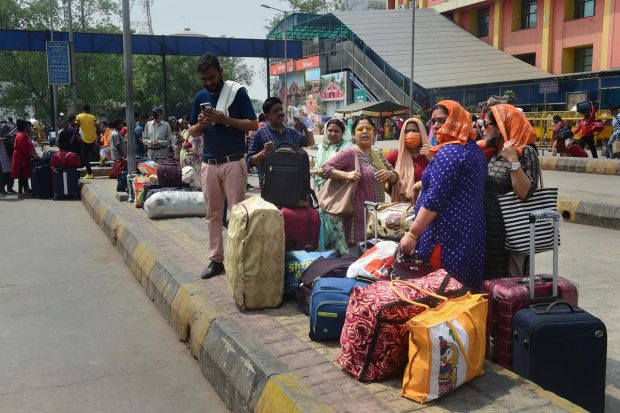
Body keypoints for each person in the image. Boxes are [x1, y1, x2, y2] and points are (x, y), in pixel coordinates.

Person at [399, 101, 487, 291]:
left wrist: (412, 234)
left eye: (442, 120)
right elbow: (458, 185)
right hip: (470, 232)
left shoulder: (449, 152)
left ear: (456, 120)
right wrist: (422, 184)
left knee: (442, 291)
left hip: (447, 236)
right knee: (465, 290)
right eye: (433, 121)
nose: (436, 125)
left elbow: (434, 201)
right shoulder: (474, 149)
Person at [187, 52, 258, 279]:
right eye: (205, 79)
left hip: (233, 162)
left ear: (221, 72)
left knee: (237, 214)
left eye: (212, 77)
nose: (209, 83)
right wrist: (201, 123)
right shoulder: (200, 97)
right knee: (212, 214)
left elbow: (253, 124)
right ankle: (216, 260)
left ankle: (238, 259)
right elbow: (192, 131)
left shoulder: (237, 93)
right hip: (209, 163)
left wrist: (224, 120)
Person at [478, 104, 539, 279]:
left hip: (511, 232)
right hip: (487, 228)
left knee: (510, 284)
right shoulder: (487, 151)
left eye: (486, 124)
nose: (483, 128)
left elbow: (524, 193)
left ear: (500, 128)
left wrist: (513, 160)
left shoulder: (525, 152)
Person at [322, 116, 399, 251]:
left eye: (368, 128)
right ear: (353, 135)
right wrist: (347, 175)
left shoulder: (377, 154)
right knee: (356, 257)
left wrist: (390, 174)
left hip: (377, 215)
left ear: (374, 133)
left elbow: (396, 177)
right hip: (357, 218)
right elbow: (325, 168)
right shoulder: (350, 153)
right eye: (360, 129)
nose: (365, 131)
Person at [247, 96, 314, 185]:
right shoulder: (259, 134)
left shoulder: (292, 132)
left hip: (293, 183)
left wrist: (304, 123)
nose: (281, 113)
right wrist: (264, 152)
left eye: (281, 110)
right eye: (276, 111)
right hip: (271, 185)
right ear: (267, 116)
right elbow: (249, 161)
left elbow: (310, 142)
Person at [313, 118, 352, 253]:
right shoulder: (322, 148)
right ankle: (327, 256)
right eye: (330, 130)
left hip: (338, 192)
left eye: (337, 131)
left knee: (338, 226)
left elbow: (329, 169)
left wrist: (326, 173)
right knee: (324, 225)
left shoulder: (346, 148)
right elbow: (319, 168)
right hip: (323, 192)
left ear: (343, 133)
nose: (332, 134)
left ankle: (342, 257)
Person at [386, 117, 431, 204]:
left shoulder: (431, 153)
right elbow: (379, 171)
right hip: (403, 207)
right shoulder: (396, 155)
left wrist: (432, 158)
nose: (410, 134)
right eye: (406, 131)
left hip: (427, 206)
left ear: (422, 132)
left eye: (414, 130)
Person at [12, 119, 39, 198]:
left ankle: (26, 190)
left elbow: (30, 146)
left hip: (24, 157)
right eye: (27, 126)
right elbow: (23, 149)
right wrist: (33, 155)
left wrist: (34, 153)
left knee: (25, 175)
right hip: (20, 158)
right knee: (21, 175)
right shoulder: (20, 136)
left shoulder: (24, 135)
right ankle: (20, 192)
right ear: (24, 127)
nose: (28, 127)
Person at [75, 104, 98, 179]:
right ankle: (100, 158)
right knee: (90, 148)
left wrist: (74, 136)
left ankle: (90, 173)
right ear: (89, 109)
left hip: (85, 138)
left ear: (83, 109)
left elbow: (77, 127)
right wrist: (98, 134)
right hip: (93, 137)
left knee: (85, 157)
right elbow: (96, 126)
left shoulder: (79, 116)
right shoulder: (93, 117)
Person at [0, 120, 17, 195]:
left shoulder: (9, 138)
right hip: (2, 158)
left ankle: (10, 188)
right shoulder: (2, 139)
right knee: (3, 174)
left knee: (10, 173)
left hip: (9, 156)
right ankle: (2, 189)